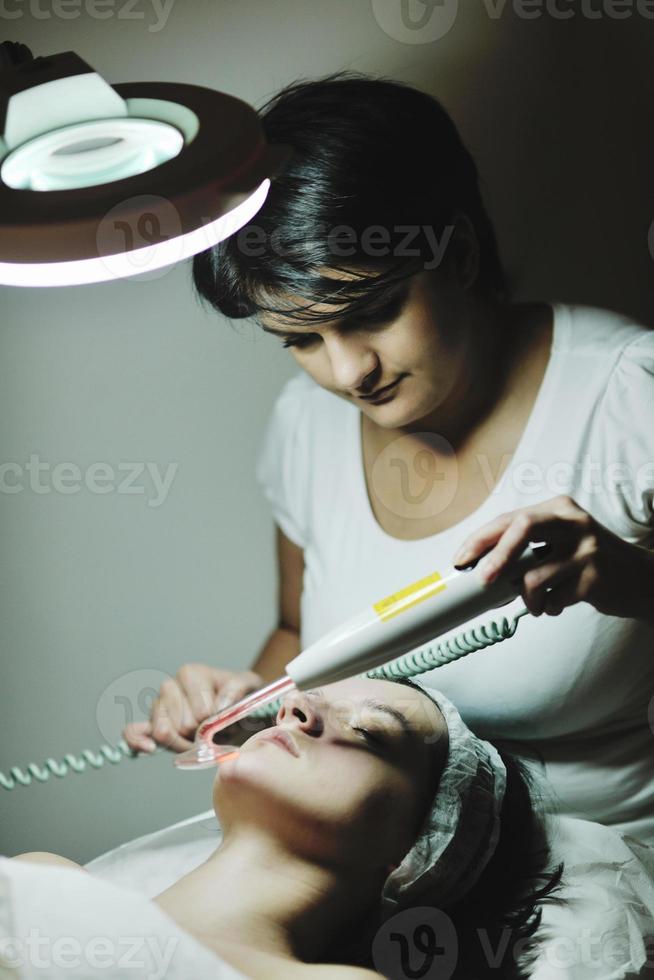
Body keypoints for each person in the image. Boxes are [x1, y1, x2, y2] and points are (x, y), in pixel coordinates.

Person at [121, 71, 654, 974]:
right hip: (379, 865)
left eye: (370, 314)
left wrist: (631, 579)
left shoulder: (629, 397)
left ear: (458, 253)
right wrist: (234, 710)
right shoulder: (305, 430)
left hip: (592, 872)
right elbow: (298, 629)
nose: (346, 373)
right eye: (298, 339)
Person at [6, 679, 566, 979]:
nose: (295, 710)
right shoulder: (44, 879)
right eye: (300, 702)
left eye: (372, 731)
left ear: (419, 853)